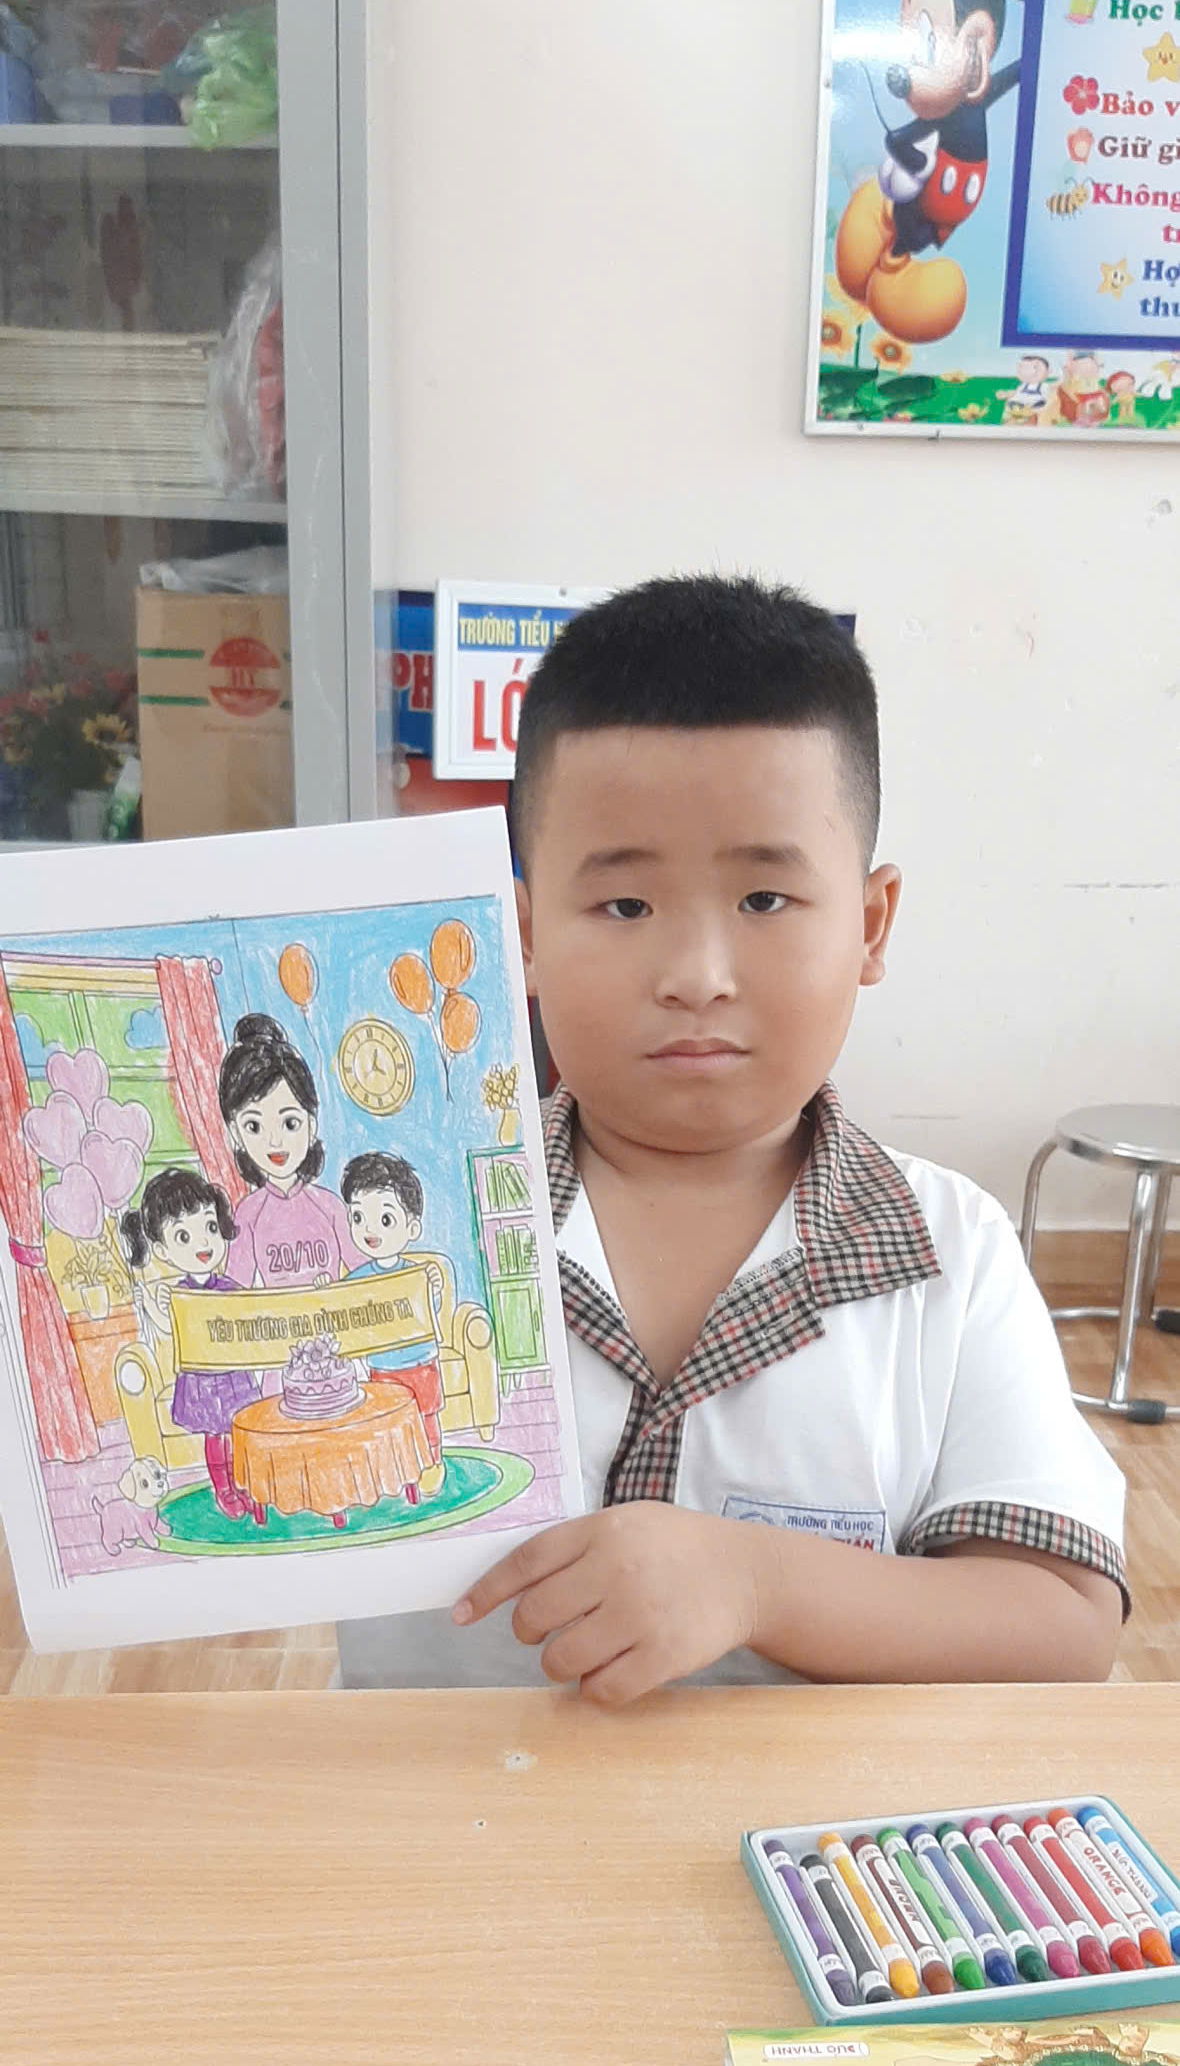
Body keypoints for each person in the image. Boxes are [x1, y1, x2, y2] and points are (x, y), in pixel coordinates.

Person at [338, 574, 1126, 1697]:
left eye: (764, 901)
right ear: (522, 934)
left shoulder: (952, 1255)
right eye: (624, 906)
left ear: (871, 923)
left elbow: (1060, 1625)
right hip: (429, 1805)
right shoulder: (392, 1224)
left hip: (818, 1818)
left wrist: (758, 1583)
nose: (695, 976)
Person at [120, 1168, 258, 1519]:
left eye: (210, 1227)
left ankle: (243, 1483)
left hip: (232, 1376)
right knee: (214, 1436)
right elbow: (172, 1330)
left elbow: (247, 1324)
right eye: (183, 1236)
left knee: (238, 1431)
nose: (202, 1243)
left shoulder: (229, 1288)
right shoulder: (177, 1294)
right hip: (201, 1378)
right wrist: (153, 1308)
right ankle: (223, 1488)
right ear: (163, 1250)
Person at [218, 1013, 353, 1295]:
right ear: (235, 1134)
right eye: (254, 1126)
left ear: (311, 1125)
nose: (274, 1140)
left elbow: (367, 1276)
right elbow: (234, 1293)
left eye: (290, 1123)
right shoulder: (248, 1214)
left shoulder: (330, 1207)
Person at [342, 1150, 446, 1491]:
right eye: (358, 1217)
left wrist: (433, 1289)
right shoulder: (356, 1281)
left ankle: (432, 1463)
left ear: (411, 1227)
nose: (370, 1229)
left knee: (425, 1419)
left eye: (384, 1219)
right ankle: (396, 1472)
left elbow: (430, 1313)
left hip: (420, 1365)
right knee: (387, 1423)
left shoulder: (417, 1274)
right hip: (381, 1368)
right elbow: (342, 1312)